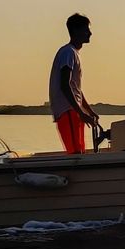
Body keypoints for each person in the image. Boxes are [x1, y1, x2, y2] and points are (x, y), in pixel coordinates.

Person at [49, 13, 99, 153]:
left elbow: (75, 87)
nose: (90, 33)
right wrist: (80, 112)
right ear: (76, 31)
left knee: (80, 152)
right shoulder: (68, 53)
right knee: (76, 154)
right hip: (68, 110)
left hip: (75, 111)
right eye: (86, 29)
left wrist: (88, 110)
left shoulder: (74, 53)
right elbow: (65, 85)